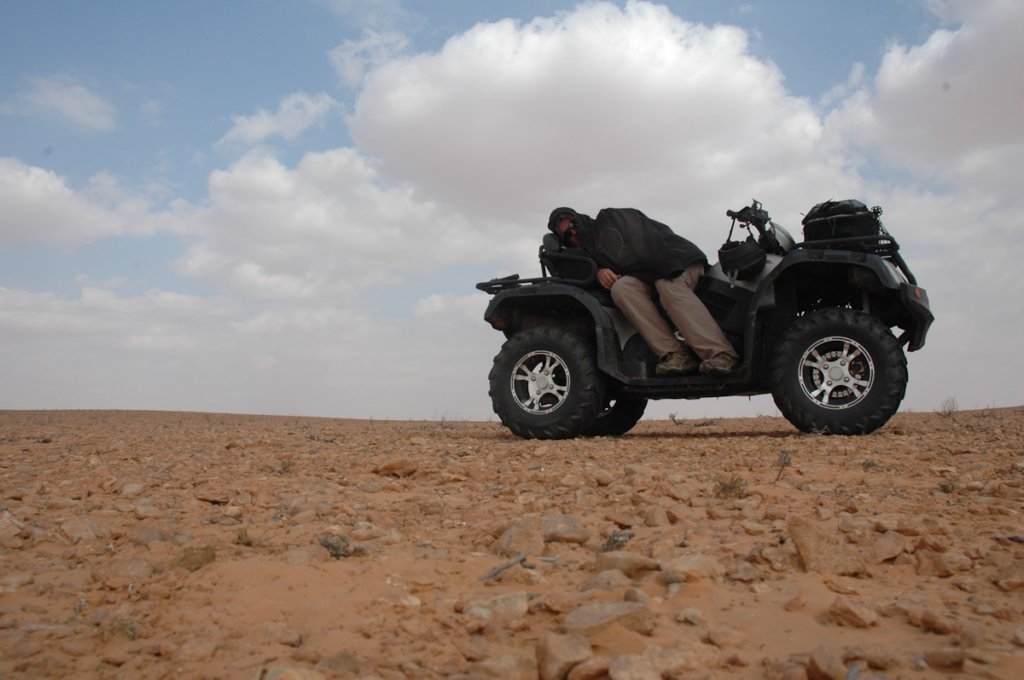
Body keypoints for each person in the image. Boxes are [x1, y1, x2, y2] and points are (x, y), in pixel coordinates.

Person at [547, 206, 739, 376]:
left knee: (668, 286)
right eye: (566, 235)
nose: (573, 233)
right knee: (622, 288)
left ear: (579, 219)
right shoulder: (590, 255)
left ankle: (720, 354)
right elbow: (574, 271)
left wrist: (668, 269)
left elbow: (646, 236)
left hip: (677, 261)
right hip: (647, 276)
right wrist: (598, 272)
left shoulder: (609, 218)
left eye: (572, 225)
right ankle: (675, 355)